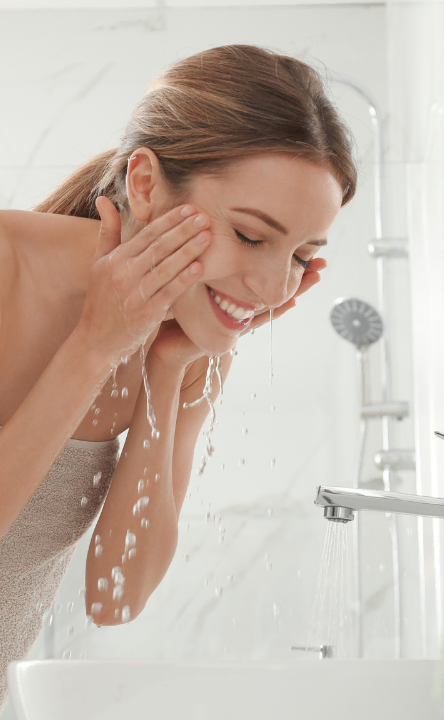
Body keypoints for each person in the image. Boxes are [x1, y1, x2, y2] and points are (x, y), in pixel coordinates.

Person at [0, 44, 357, 708]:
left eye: (302, 255)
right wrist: (92, 351)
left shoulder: (187, 335)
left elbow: (117, 595)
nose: (272, 287)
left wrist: (168, 366)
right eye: (252, 237)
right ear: (144, 185)